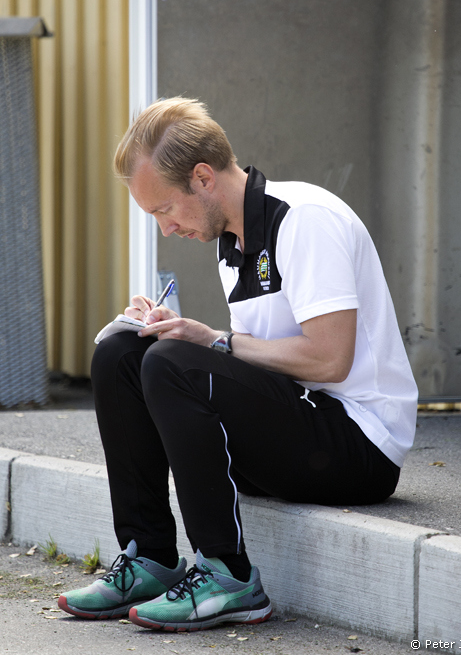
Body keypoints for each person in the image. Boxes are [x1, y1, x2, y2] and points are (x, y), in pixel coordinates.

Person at [58, 97, 418, 631]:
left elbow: (330, 358)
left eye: (163, 209)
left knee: (173, 363)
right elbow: (254, 366)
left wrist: (213, 343)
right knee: (122, 354)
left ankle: (228, 575)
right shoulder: (231, 241)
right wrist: (173, 331)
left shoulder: (303, 220)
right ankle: (150, 558)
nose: (165, 229)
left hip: (358, 446)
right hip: (300, 427)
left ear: (202, 178)